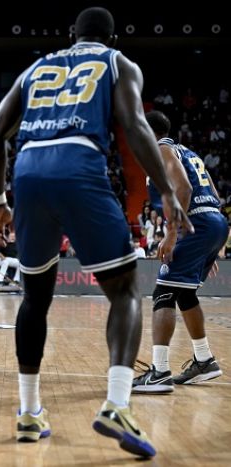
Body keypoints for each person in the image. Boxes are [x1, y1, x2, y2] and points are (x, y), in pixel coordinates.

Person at [0, 7, 192, 457]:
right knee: (125, 291)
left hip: (28, 171)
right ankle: (117, 404)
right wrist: (166, 191)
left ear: (70, 35)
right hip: (78, 164)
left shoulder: (36, 68)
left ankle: (28, 411)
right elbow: (135, 125)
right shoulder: (118, 62)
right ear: (112, 38)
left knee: (34, 298)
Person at [132, 111, 227, 393]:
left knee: (163, 293)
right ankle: (204, 360)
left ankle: (159, 371)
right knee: (184, 294)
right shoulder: (187, 152)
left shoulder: (161, 150)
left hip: (196, 224)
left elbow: (183, 189)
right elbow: (215, 196)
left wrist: (172, 234)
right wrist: (211, 245)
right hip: (213, 222)